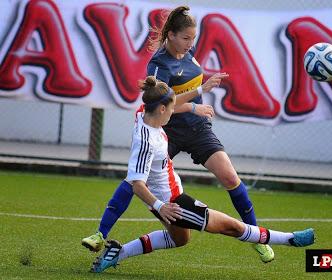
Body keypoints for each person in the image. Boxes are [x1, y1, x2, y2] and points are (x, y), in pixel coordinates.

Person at [82, 5, 275, 263]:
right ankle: (100, 234)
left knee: (229, 176)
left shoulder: (187, 53)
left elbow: (186, 83)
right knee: (134, 178)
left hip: (196, 129)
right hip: (168, 129)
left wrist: (197, 105)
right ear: (171, 35)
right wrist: (196, 103)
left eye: (193, 38)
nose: (190, 43)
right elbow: (162, 104)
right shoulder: (159, 65)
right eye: (186, 38)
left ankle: (256, 237)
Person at [90, 76, 315, 273]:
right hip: (175, 204)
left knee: (180, 239)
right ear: (161, 109)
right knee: (233, 227)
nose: (172, 112)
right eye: (170, 109)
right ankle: (290, 239)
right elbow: (136, 183)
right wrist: (161, 206)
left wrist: (196, 96)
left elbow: (173, 103)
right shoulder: (146, 140)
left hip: (171, 198)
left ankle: (117, 253)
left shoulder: (143, 114)